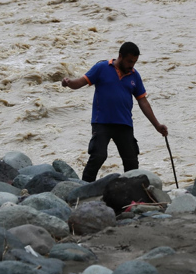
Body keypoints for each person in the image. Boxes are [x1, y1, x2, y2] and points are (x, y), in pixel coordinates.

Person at [62, 42, 168, 182]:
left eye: (134, 62)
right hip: (102, 122)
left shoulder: (134, 75)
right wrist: (69, 83)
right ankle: (85, 187)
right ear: (120, 56)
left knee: (131, 161)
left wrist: (157, 125)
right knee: (98, 156)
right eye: (129, 61)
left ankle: (132, 190)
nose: (132, 65)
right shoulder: (102, 68)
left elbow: (143, 102)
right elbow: (80, 82)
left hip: (124, 124)